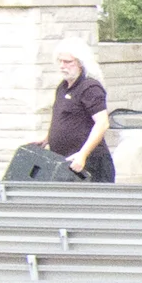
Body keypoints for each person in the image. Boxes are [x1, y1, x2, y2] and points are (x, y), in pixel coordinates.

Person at [40, 37, 116, 181]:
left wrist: (83, 154)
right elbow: (64, 120)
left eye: (68, 62)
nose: (62, 66)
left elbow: (102, 123)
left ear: (81, 63)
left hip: (89, 165)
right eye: (60, 61)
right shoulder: (62, 87)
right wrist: (47, 139)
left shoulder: (90, 88)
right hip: (65, 163)